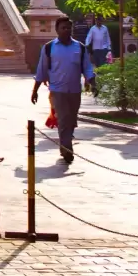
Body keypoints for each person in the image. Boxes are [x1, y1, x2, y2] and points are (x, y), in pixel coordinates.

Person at [32, 16, 95, 165]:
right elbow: (41, 70)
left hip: (74, 90)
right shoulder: (49, 48)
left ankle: (65, 143)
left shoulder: (79, 47)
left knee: (71, 120)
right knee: (63, 119)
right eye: (63, 28)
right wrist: (35, 90)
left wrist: (93, 82)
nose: (66, 30)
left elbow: (87, 67)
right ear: (57, 30)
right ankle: (67, 149)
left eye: (69, 28)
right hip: (57, 90)